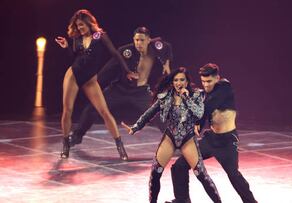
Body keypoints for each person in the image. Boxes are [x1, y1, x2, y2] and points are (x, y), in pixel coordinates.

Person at [121, 67, 221, 203]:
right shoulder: (166, 96)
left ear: (187, 82)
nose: (178, 83)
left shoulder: (197, 95)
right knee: (155, 173)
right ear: (172, 82)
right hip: (170, 137)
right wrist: (136, 127)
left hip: (188, 138)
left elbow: (199, 114)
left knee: (201, 175)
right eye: (176, 80)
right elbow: (150, 112)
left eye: (182, 80)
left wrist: (186, 98)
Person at [166, 64, 257, 203]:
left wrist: (198, 123)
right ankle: (182, 199)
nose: (206, 85)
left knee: (233, 175)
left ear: (217, 78)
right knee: (179, 166)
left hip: (227, 142)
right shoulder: (205, 93)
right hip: (211, 139)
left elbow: (207, 107)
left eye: (209, 81)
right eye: (203, 81)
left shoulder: (224, 88)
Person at [69, 26, 172, 147]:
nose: (138, 43)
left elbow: (167, 47)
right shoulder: (125, 51)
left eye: (142, 40)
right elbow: (107, 70)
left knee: (158, 114)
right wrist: (94, 86)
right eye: (136, 40)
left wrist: (166, 63)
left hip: (141, 92)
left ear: (149, 40)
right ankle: (76, 137)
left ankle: (175, 141)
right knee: (93, 107)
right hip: (119, 89)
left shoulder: (156, 47)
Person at [55, 9, 136, 160]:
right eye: (77, 26)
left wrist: (127, 71)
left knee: (105, 112)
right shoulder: (77, 39)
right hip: (73, 75)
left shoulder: (100, 36)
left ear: (88, 23)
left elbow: (115, 53)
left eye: (81, 25)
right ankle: (66, 144)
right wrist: (66, 46)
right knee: (68, 110)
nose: (79, 28)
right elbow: (73, 58)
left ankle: (120, 146)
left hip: (90, 80)